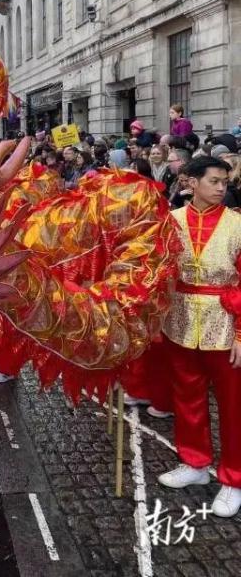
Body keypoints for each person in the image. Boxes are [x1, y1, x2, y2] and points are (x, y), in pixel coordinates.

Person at [159, 157, 241, 517]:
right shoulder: (169, 222)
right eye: (214, 181)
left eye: (225, 181)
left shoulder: (238, 225)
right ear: (191, 182)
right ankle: (194, 463)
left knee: (233, 405)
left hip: (225, 327)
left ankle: (234, 478)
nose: (222, 187)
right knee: (187, 395)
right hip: (178, 322)